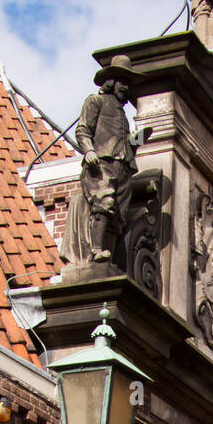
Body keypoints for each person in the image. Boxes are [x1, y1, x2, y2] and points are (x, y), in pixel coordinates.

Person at [60, 54, 137, 267]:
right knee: (104, 202)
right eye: (122, 82)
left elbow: (126, 142)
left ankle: (107, 259)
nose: (125, 88)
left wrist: (137, 140)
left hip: (123, 167)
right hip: (101, 163)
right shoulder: (96, 101)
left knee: (118, 216)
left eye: (128, 84)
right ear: (111, 82)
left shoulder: (123, 114)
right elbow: (83, 129)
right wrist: (88, 151)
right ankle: (95, 250)